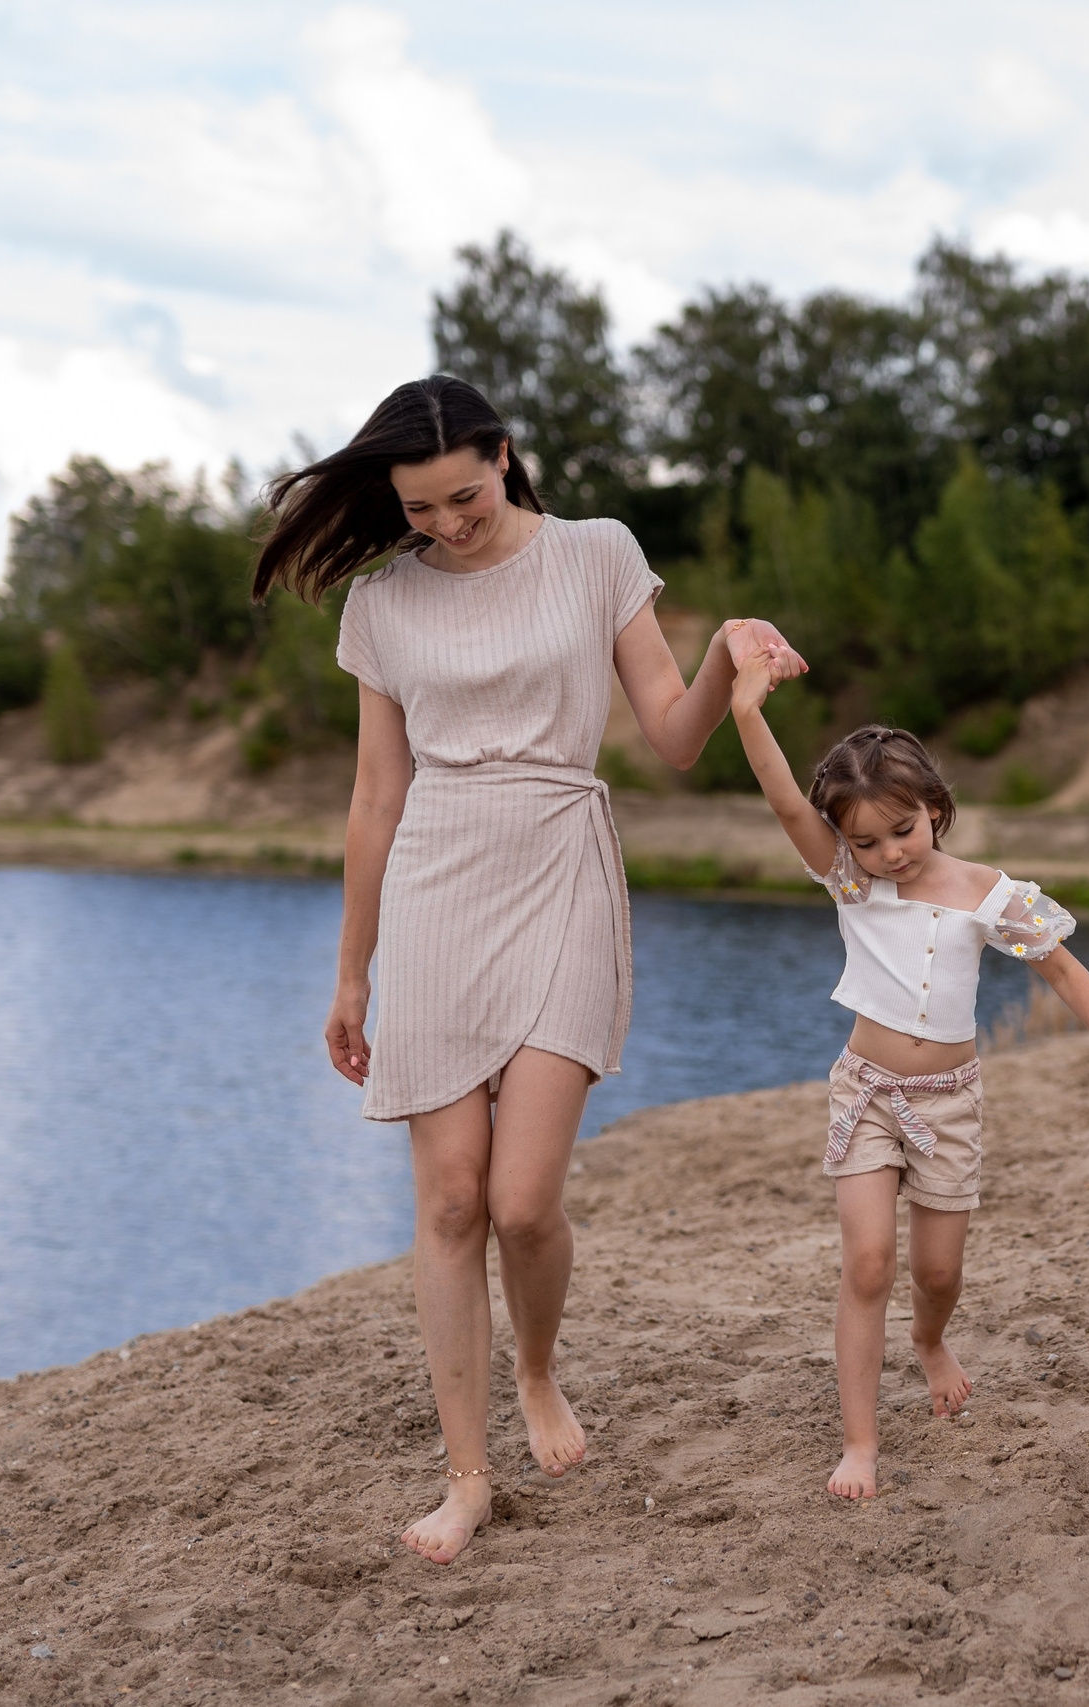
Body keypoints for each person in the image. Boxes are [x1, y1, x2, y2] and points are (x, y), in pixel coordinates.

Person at [254, 374, 805, 1566]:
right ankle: (467, 1477)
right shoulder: (383, 605)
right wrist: (351, 975)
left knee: (520, 1202)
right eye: (418, 509)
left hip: (561, 860)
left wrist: (722, 653)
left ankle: (538, 1368)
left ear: (504, 456)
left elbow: (668, 735)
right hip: (439, 882)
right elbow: (374, 794)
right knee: (450, 1198)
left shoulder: (596, 553)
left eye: (462, 495)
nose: (445, 524)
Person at [729, 657, 1089, 1499]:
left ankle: (931, 1340)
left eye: (902, 829)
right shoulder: (851, 880)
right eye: (865, 839)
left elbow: (1066, 972)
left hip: (953, 1104)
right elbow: (786, 799)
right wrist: (747, 710)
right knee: (868, 1262)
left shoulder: (988, 893)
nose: (887, 852)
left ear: (934, 809)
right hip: (865, 1092)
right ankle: (859, 1441)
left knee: (937, 1274)